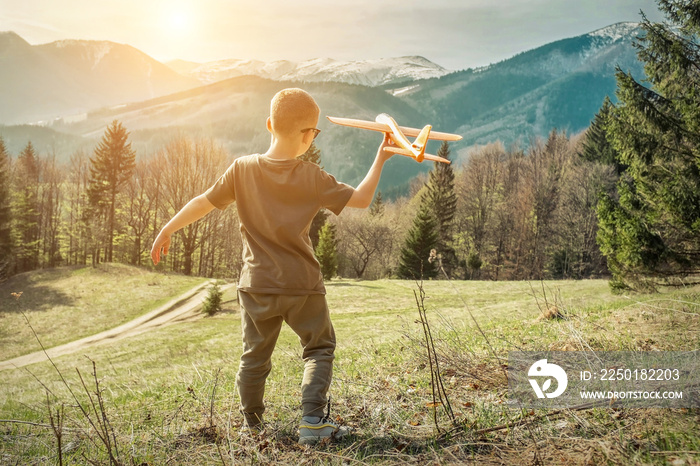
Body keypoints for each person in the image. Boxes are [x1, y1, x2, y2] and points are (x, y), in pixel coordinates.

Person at [150, 88, 394, 444]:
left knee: (254, 356)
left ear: (269, 124)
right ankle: (312, 421)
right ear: (309, 136)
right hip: (302, 285)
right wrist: (382, 156)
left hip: (256, 284)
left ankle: (252, 426)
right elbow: (361, 198)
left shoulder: (242, 169)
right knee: (319, 348)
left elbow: (203, 202)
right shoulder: (312, 176)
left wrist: (167, 228)